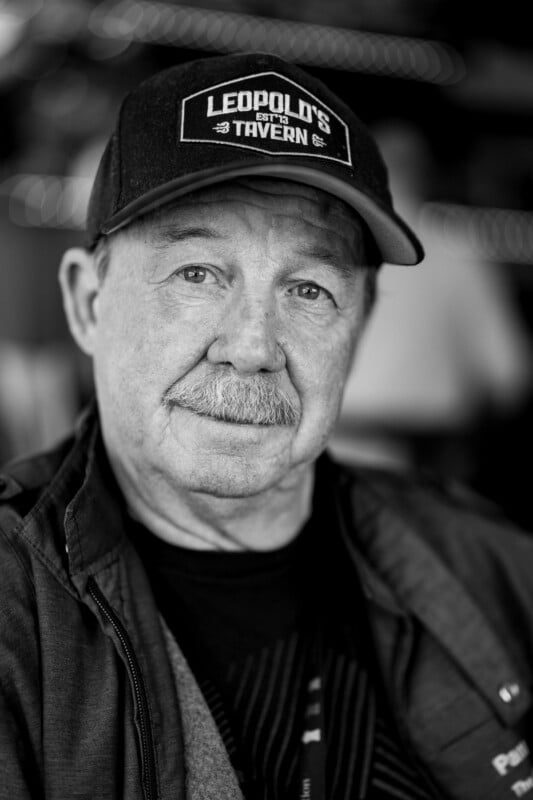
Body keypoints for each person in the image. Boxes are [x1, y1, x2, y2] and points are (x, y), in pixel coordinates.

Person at [1, 52, 532, 800]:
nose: (252, 347)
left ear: (361, 327)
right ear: (88, 303)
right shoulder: (16, 616)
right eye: (197, 273)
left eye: (309, 289)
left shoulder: (491, 570)